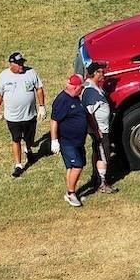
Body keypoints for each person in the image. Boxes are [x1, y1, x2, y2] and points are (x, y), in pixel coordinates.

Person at [0, 51, 46, 178]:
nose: (22, 65)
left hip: (29, 115)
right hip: (13, 117)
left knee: (30, 138)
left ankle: (28, 150)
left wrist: (42, 106)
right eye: (19, 64)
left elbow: (39, 88)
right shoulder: (4, 76)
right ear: (11, 64)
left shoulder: (31, 73)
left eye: (22, 63)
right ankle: (18, 165)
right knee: (16, 139)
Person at [50, 74, 89, 207]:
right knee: (77, 166)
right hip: (68, 141)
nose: (82, 90)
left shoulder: (75, 98)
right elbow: (54, 121)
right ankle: (71, 193)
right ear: (75, 87)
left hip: (78, 141)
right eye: (81, 87)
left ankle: (72, 192)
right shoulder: (62, 100)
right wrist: (54, 140)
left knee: (72, 167)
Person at [81, 62, 116, 194]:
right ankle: (102, 183)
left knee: (98, 153)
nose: (103, 74)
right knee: (103, 155)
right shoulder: (91, 92)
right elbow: (89, 113)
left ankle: (96, 177)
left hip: (100, 129)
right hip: (100, 131)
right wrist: (97, 130)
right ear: (95, 73)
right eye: (101, 72)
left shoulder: (93, 86)